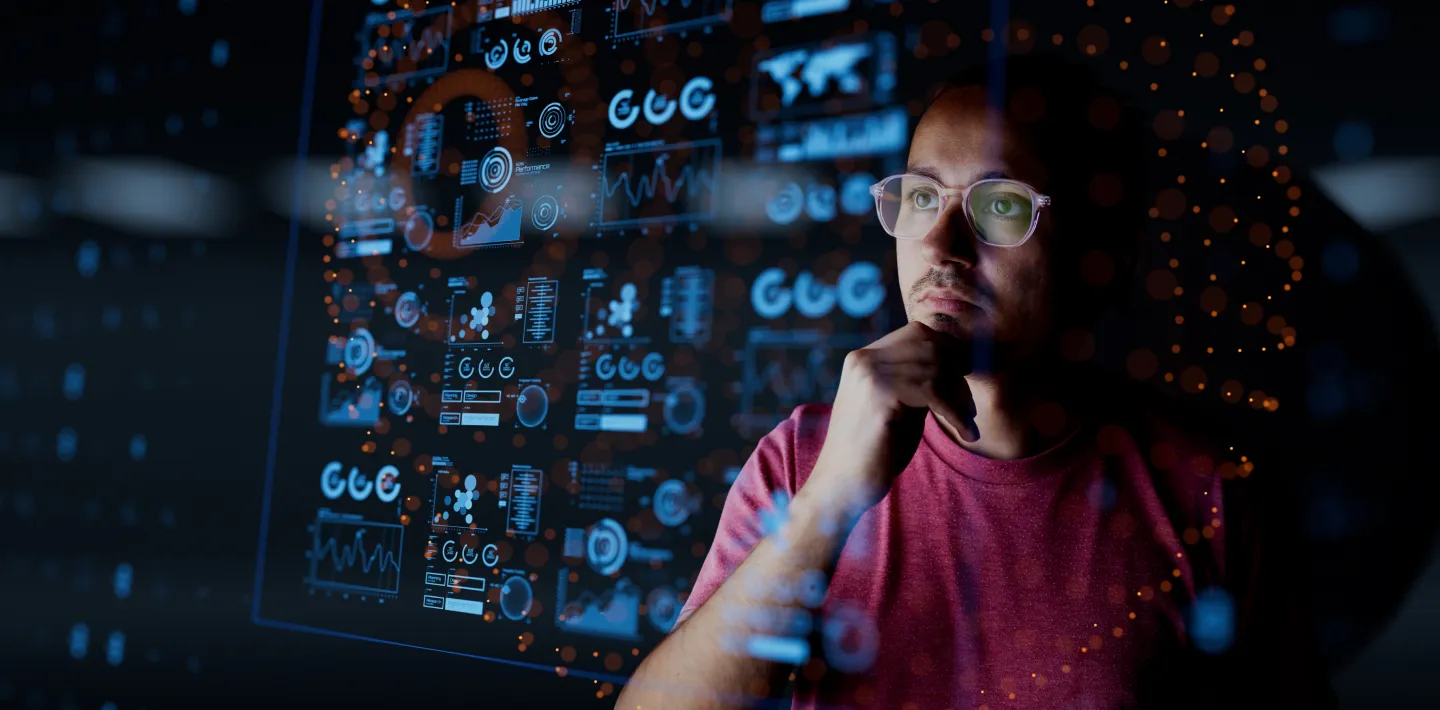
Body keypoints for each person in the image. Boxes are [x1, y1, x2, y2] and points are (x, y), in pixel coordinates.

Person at [616, 52, 1334, 709]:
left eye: (1001, 206)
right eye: (921, 198)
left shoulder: (1205, 492)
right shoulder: (800, 459)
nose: (940, 243)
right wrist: (827, 505)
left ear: (1100, 250)